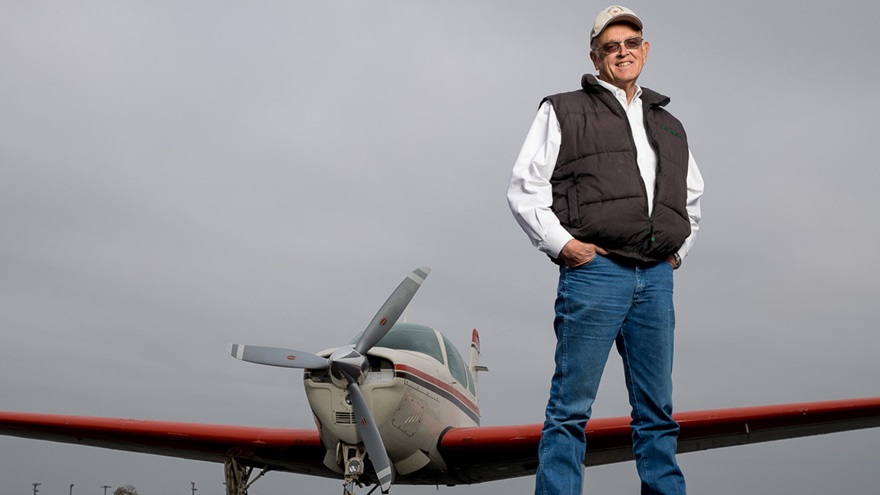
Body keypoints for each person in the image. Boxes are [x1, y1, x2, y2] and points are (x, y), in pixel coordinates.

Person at [507, 5, 703, 495]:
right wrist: (566, 246)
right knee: (570, 410)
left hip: (655, 277)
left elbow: (691, 196)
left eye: (631, 43)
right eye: (611, 46)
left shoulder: (671, 124)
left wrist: (679, 251)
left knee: (657, 413)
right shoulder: (562, 108)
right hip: (596, 273)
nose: (622, 52)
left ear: (645, 50)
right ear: (595, 56)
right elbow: (524, 189)